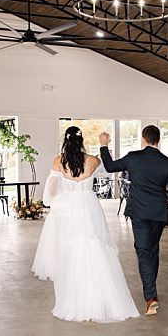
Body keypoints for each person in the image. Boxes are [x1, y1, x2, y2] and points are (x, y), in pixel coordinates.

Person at [34, 125, 139, 323]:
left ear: (65, 141)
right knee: (95, 247)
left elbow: (50, 191)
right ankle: (100, 300)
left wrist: (55, 201)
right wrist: (104, 145)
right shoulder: (93, 161)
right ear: (82, 141)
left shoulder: (58, 162)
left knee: (69, 252)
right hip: (88, 206)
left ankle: (73, 299)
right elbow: (108, 172)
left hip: (66, 209)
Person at [97, 124, 168, 317]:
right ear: (158, 140)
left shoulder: (133, 157)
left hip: (140, 213)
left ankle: (151, 296)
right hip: (159, 214)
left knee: (144, 252)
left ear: (144, 139)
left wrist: (104, 146)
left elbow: (110, 167)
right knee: (153, 249)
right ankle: (151, 287)